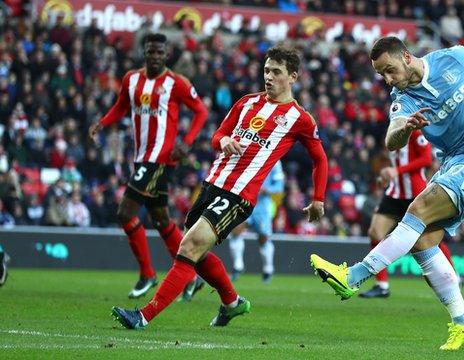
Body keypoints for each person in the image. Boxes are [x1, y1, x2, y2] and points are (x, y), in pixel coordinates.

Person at [310, 36, 464, 350]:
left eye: (390, 70)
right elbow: (391, 140)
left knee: (418, 209)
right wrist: (407, 128)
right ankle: (463, 318)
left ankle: (354, 276)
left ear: (407, 57)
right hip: (454, 163)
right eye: (381, 75)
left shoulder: (453, 58)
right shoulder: (403, 98)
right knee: (422, 242)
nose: (387, 79)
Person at [111, 46, 328, 330]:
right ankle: (232, 302)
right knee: (195, 254)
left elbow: (320, 159)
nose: (269, 77)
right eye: (266, 70)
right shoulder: (247, 103)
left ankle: (142, 316)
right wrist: (223, 141)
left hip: (240, 195)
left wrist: (318, 199)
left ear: (293, 77)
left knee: (188, 246)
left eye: (276, 72)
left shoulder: (299, 118)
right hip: (212, 184)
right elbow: (218, 135)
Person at [88, 33, 208, 298]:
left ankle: (147, 274)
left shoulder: (176, 83)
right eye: (151, 52)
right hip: (142, 157)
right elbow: (121, 107)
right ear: (144, 53)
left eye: (159, 52)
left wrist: (186, 142)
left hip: (161, 159)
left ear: (166, 55)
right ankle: (191, 275)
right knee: (161, 219)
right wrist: (102, 123)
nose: (155, 56)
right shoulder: (131, 79)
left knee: (125, 213)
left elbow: (201, 111)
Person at [358, 131, 461, 298]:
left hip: (415, 194)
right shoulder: (393, 129)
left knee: (428, 239)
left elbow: (427, 158)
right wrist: (387, 176)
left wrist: (397, 171)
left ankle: (454, 276)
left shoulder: (415, 131)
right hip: (394, 193)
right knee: (375, 232)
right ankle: (382, 285)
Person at [228, 161, 285, 283]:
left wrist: (268, 189)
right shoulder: (247, 151)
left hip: (262, 207)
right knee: (236, 231)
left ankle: (268, 269)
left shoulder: (275, 161)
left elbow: (279, 185)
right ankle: (238, 267)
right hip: (244, 202)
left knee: (263, 238)